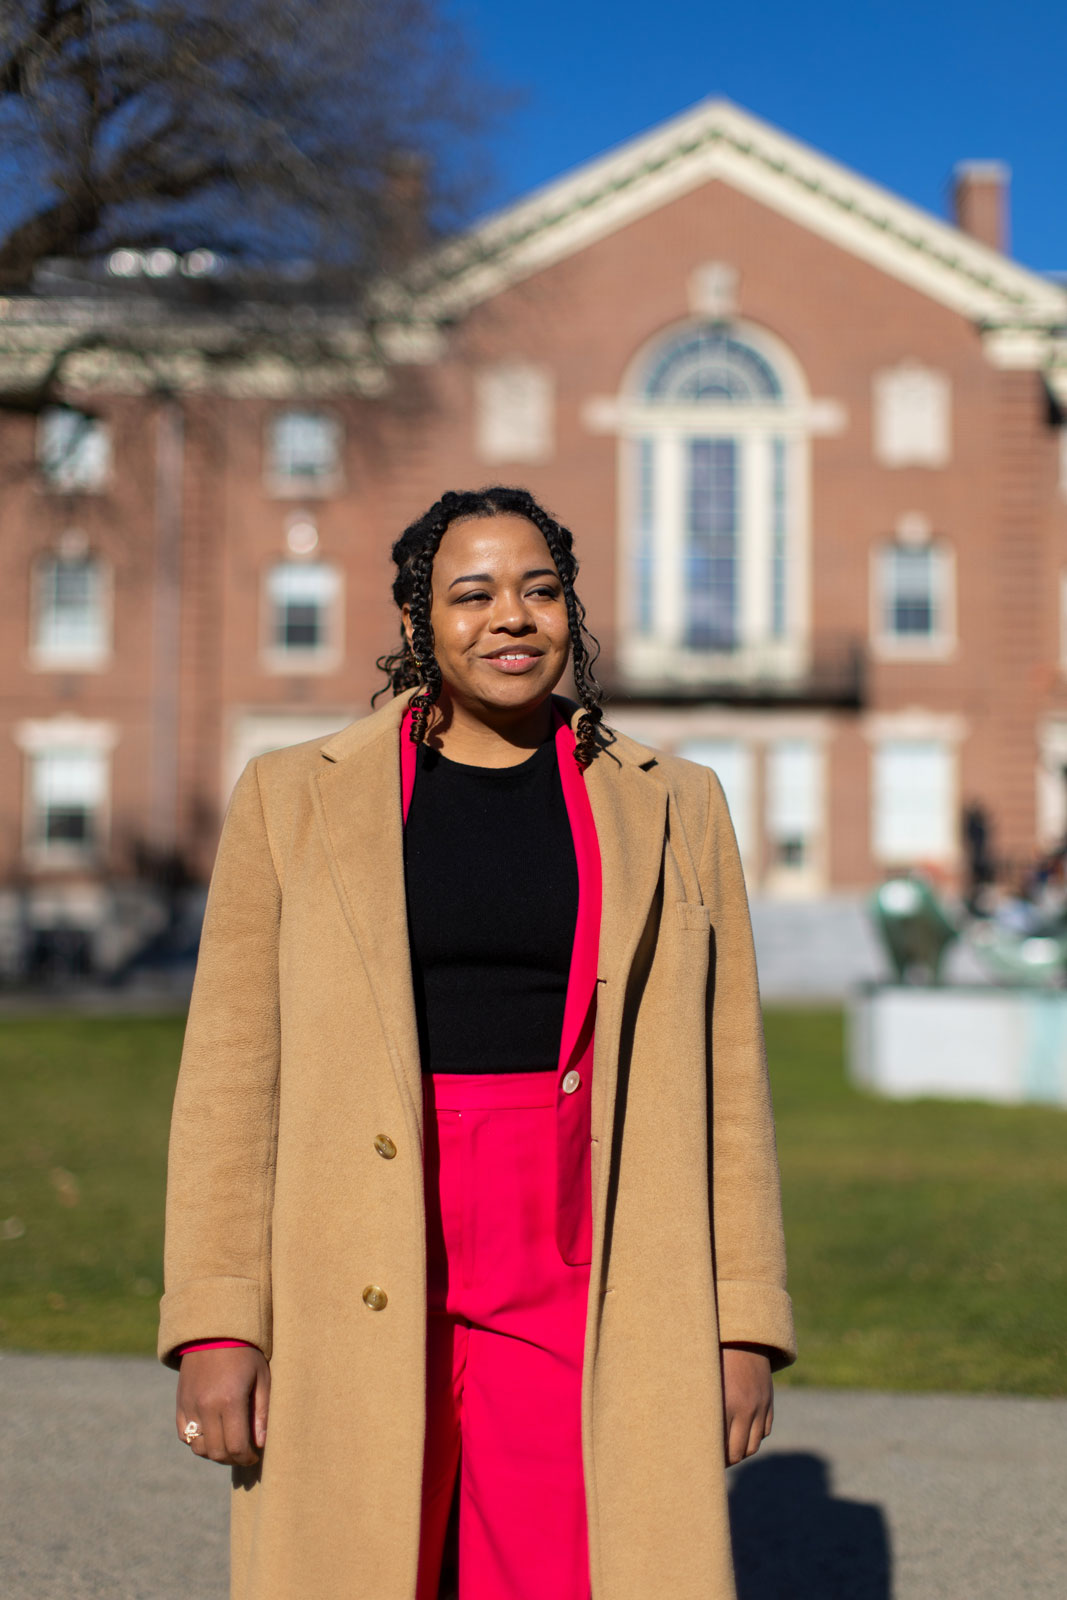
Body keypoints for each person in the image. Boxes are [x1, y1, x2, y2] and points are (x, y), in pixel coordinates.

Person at [159, 486, 796, 1600]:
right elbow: (228, 1075)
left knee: (562, 1563)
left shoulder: (674, 803)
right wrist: (216, 1318)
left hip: (581, 1239)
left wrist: (740, 1320)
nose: (512, 616)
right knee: (368, 1553)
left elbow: (727, 1082)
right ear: (417, 624)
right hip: (361, 1229)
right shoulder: (289, 800)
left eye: (540, 589)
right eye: (473, 593)